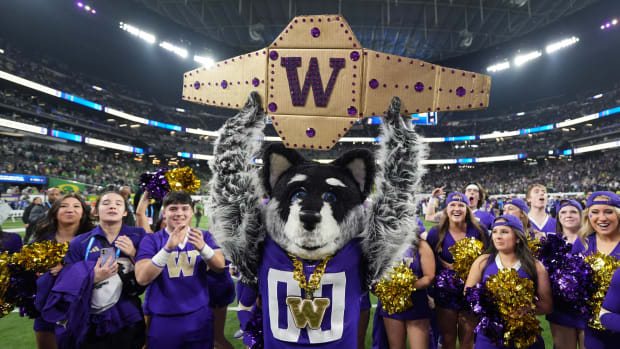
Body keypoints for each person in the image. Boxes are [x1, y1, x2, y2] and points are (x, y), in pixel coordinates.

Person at [54, 191, 147, 348]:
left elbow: (149, 274)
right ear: (95, 211)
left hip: (128, 315)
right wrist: (92, 278)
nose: (112, 206)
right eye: (106, 203)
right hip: (91, 319)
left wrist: (133, 254)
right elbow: (67, 282)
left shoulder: (139, 235)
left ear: (125, 212)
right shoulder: (80, 242)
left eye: (118, 204)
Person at [135, 191, 226, 349]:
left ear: (192, 211)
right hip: (164, 319)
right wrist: (167, 249)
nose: (179, 213)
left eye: (184, 208)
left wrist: (203, 248)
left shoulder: (203, 236)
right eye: (173, 209)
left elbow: (219, 266)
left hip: (200, 317)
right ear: (164, 212)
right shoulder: (151, 239)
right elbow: (142, 278)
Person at [465, 215, 552, 349]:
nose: (498, 236)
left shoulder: (535, 266)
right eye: (494, 231)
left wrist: (528, 307)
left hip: (524, 337)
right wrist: (488, 305)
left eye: (504, 232)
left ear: (518, 238)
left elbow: (547, 305)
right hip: (489, 338)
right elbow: (468, 294)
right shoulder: (483, 262)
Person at [33, 193, 96, 349]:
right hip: (46, 308)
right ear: (55, 212)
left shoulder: (95, 239)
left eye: (76, 206)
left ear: (83, 213)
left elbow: (106, 268)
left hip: (83, 309)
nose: (70, 210)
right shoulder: (41, 239)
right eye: (64, 206)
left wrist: (68, 270)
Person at [426, 192, 488, 349]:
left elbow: (488, 259)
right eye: (452, 205)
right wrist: (430, 293)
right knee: (447, 339)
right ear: (446, 209)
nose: (456, 208)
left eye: (461, 205)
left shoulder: (479, 230)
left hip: (471, 292)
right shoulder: (436, 232)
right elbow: (428, 263)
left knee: (467, 340)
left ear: (467, 209)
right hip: (445, 294)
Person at [572, 191, 620, 348]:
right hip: (593, 329)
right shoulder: (582, 243)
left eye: (608, 211)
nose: (602, 218)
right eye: (595, 212)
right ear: (588, 216)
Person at [372, 239, 436, 349]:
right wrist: (384, 288)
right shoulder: (383, 245)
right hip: (392, 306)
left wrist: (405, 287)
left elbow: (429, 277)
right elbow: (374, 274)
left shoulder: (421, 245)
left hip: (416, 305)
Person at [546, 199, 585, 349]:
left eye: (573, 211)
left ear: (581, 216)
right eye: (563, 212)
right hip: (560, 308)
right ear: (558, 217)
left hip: (587, 309)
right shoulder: (550, 244)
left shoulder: (592, 241)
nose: (568, 215)